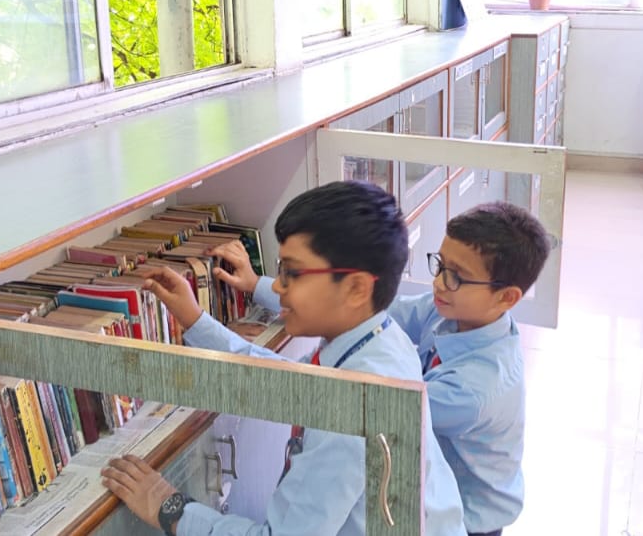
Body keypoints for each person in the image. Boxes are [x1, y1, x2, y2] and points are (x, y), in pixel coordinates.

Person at [101, 181, 467, 536]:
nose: (277, 286)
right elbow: (286, 377)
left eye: (292, 273)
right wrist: (196, 320)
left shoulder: (350, 410)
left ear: (356, 287)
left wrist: (170, 509)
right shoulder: (379, 338)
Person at [209, 201, 550, 536]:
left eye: (457, 277)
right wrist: (258, 286)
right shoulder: (454, 311)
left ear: (507, 298)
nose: (439, 284)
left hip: (472, 518)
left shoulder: (473, 391)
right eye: (440, 265)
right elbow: (377, 309)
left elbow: (374, 399)